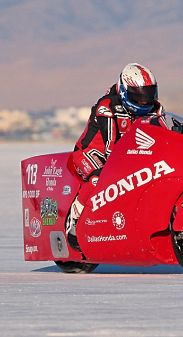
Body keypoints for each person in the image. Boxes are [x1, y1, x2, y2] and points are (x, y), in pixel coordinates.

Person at [65, 63, 163, 249]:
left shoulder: (156, 109)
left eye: (148, 95)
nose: (144, 101)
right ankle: (74, 224)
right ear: (125, 92)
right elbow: (111, 147)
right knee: (98, 178)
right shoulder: (107, 106)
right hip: (90, 154)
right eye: (139, 96)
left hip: (128, 155)